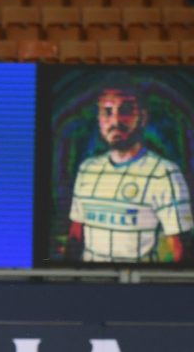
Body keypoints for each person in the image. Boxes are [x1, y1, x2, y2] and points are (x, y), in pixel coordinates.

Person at [66, 74, 193, 264]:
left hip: (137, 281)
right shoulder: (87, 169)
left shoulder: (164, 173)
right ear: (99, 119)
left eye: (125, 110)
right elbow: (75, 236)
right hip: (90, 280)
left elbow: (182, 251)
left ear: (143, 117)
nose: (115, 120)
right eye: (107, 112)